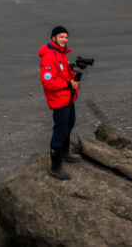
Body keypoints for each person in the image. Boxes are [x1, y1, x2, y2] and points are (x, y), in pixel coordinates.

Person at [38, 25, 82, 180]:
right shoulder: (49, 56)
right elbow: (48, 82)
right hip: (59, 100)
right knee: (59, 131)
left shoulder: (60, 53)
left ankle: (64, 153)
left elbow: (63, 72)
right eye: (61, 37)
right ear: (53, 38)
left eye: (66, 37)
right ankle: (55, 167)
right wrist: (69, 84)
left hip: (67, 97)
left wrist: (73, 73)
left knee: (69, 124)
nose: (64, 40)